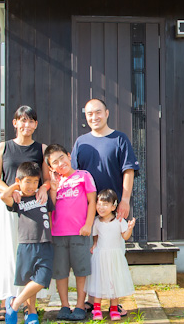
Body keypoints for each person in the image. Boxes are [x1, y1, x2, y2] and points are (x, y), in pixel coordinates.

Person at [72, 98, 139, 316]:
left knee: (113, 255)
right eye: (89, 114)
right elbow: (74, 175)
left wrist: (126, 199)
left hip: (113, 210)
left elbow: (128, 170)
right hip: (87, 211)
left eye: (98, 112)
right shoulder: (81, 142)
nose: (94, 117)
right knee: (92, 253)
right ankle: (92, 300)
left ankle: (113, 301)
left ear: (107, 113)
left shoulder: (119, 139)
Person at [0, 106, 50, 321]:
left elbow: (48, 178)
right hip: (9, 205)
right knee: (8, 252)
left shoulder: (41, 149)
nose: (27, 125)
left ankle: (28, 305)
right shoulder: (3, 147)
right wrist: (11, 190)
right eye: (22, 121)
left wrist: (43, 187)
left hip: (32, 209)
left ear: (36, 124)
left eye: (31, 121)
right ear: (15, 123)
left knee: (29, 254)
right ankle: (8, 300)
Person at [44, 143, 97, 321]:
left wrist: (88, 225)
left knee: (81, 271)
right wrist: (53, 188)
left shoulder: (84, 176)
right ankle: (64, 305)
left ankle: (80, 305)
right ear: (51, 167)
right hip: (58, 234)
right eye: (55, 163)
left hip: (80, 233)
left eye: (62, 158)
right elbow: (51, 207)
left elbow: (92, 201)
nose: (60, 163)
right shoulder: (55, 183)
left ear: (68, 155)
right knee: (61, 272)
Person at [0, 162, 54, 324]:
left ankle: (15, 303)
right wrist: (16, 187)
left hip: (45, 242)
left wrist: (44, 187)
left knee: (42, 279)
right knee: (29, 279)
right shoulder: (18, 200)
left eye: (35, 182)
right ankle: (31, 314)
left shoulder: (41, 196)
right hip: (26, 244)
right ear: (19, 180)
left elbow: (53, 205)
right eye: (27, 181)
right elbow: (3, 196)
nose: (31, 186)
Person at [85, 189, 136, 321]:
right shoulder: (96, 221)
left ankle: (114, 308)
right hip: (100, 256)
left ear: (113, 206)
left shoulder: (119, 221)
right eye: (99, 204)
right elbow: (95, 235)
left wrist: (129, 228)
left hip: (114, 257)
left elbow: (124, 236)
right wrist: (95, 244)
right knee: (98, 281)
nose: (101, 207)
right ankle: (97, 308)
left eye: (105, 204)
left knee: (114, 281)